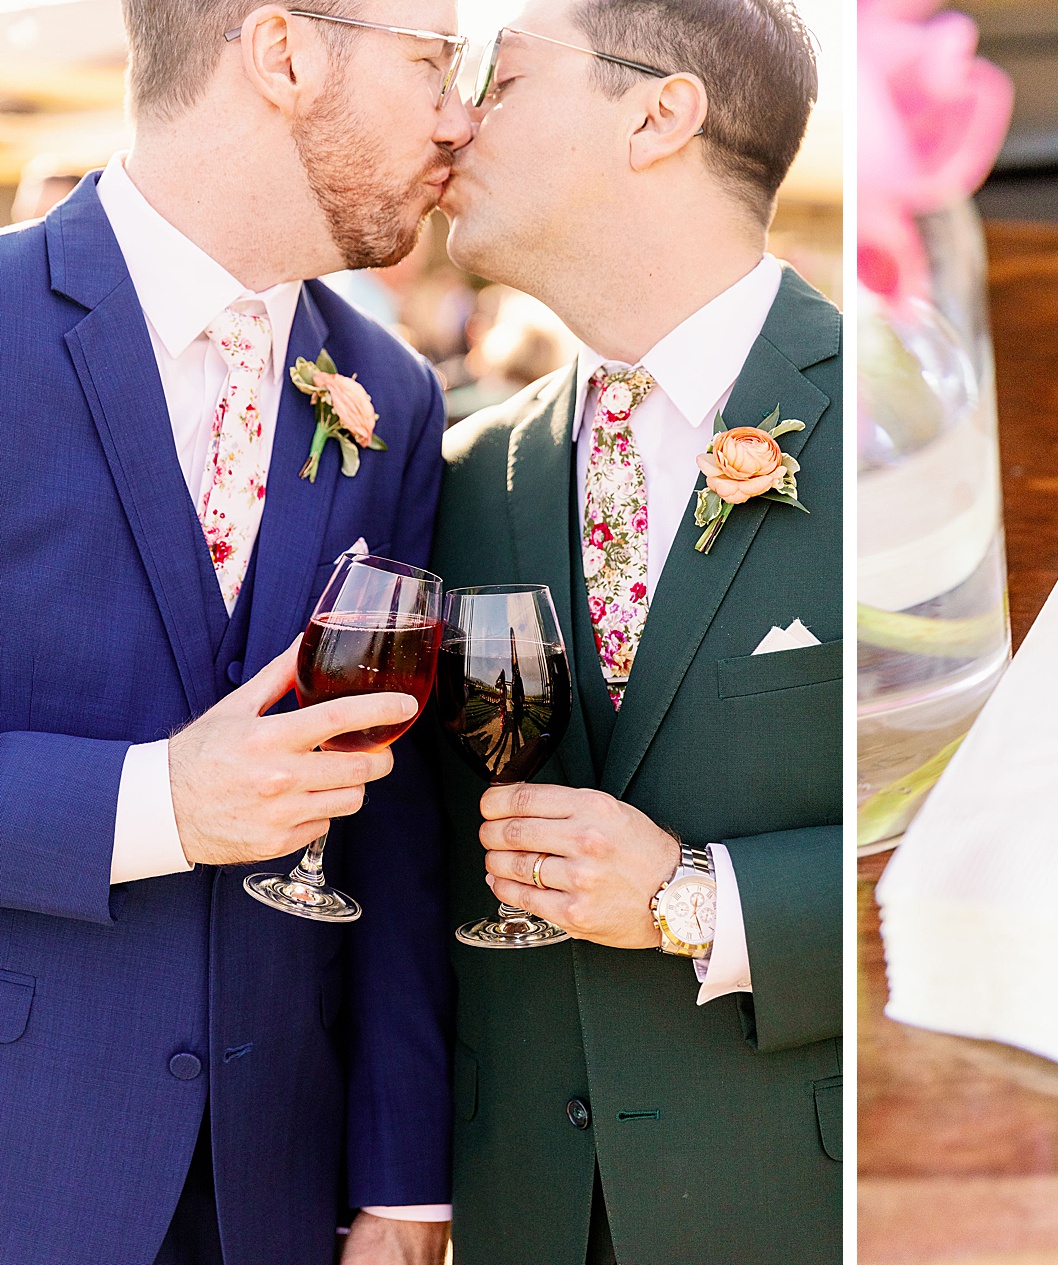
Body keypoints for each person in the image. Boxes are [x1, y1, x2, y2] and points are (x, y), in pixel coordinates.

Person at [0, 4, 472, 1263]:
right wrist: (157, 802)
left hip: (280, 1188)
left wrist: (404, 1178)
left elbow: (401, 810)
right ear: (283, 52)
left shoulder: (394, 393)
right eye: (433, 63)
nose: (460, 116)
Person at [432, 1, 842, 1261]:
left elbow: (980, 849)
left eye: (499, 78)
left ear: (657, 112)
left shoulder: (889, 427)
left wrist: (691, 897)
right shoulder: (468, 472)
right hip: (520, 1212)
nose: (453, 118)